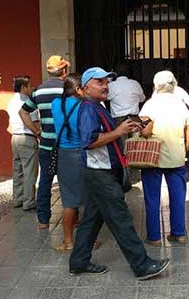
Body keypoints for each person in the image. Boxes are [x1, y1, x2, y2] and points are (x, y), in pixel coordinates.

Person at [69, 67, 170, 280]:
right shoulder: (88, 109)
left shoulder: (97, 107)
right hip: (99, 174)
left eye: (106, 82)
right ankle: (142, 266)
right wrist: (118, 132)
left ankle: (78, 261)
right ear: (85, 87)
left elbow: (106, 135)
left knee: (92, 219)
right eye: (99, 82)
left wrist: (125, 127)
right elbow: (89, 141)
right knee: (121, 217)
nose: (105, 86)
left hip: (100, 172)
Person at [139, 71, 189, 245]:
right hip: (177, 158)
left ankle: (154, 237)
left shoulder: (150, 105)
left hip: (152, 158)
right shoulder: (181, 105)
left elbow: (146, 131)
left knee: (152, 198)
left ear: (156, 85)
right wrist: (182, 151)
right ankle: (179, 233)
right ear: (174, 85)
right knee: (178, 198)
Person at [19, 55, 69, 229]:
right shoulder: (68, 89)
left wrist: (36, 130)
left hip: (46, 144)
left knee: (45, 181)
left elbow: (23, 112)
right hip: (65, 145)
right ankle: (71, 218)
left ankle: (43, 220)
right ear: (64, 70)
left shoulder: (38, 90)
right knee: (68, 182)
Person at [51, 74, 84, 251]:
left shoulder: (56, 104)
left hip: (63, 153)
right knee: (87, 199)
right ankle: (87, 240)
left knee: (68, 201)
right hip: (81, 153)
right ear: (78, 89)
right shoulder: (84, 106)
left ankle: (68, 241)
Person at [7, 76, 41, 213]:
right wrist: (37, 132)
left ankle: (18, 199)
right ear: (23, 87)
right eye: (29, 86)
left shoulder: (11, 100)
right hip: (27, 137)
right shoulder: (26, 101)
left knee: (18, 170)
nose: (31, 88)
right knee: (30, 171)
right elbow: (31, 120)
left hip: (15, 137)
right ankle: (29, 202)